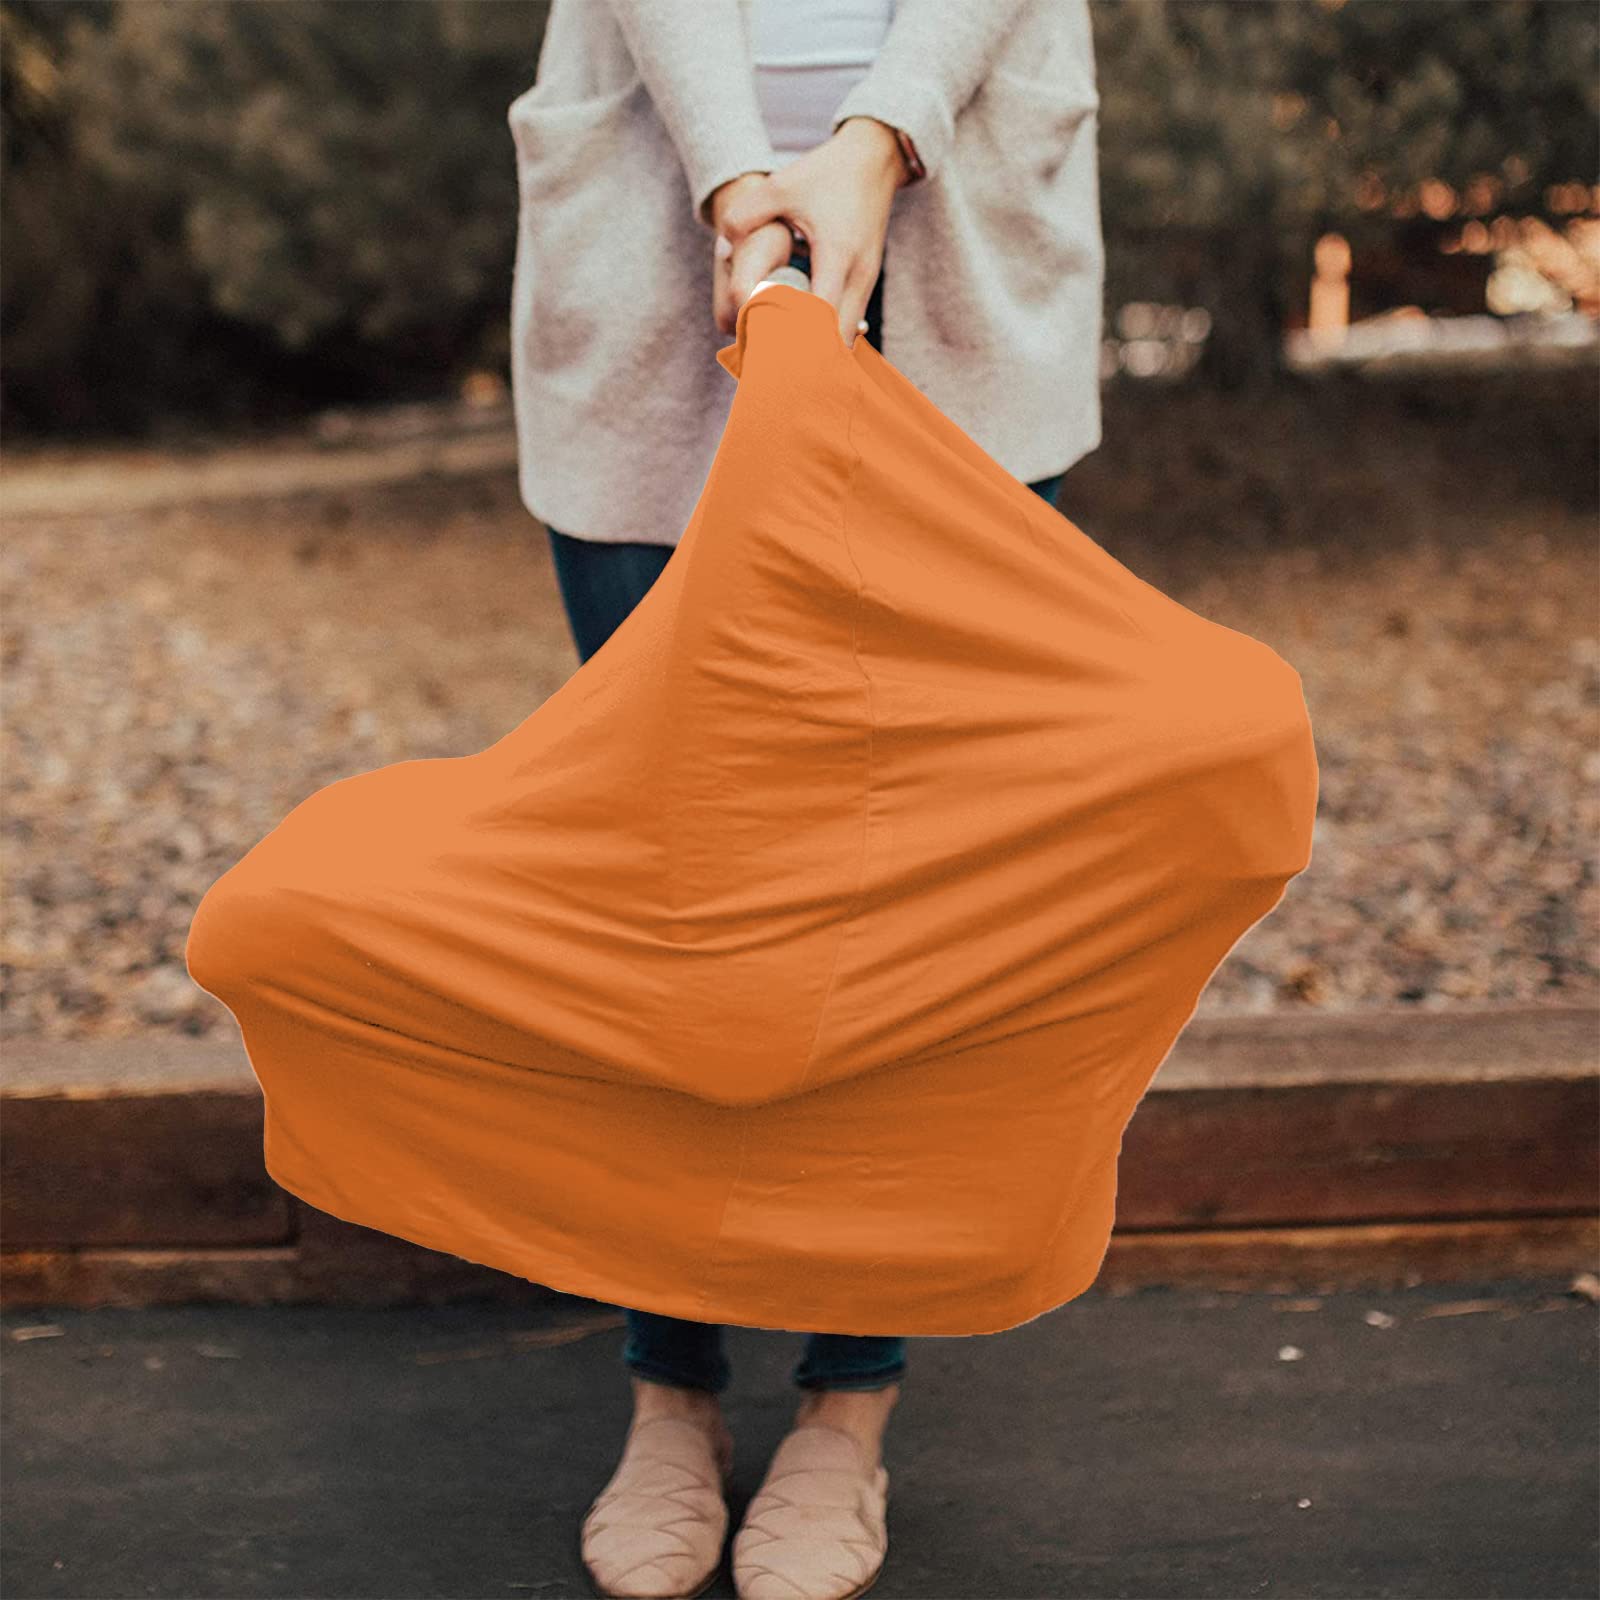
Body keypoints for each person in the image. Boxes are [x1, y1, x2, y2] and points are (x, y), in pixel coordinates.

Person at [505, 3, 1104, 1596]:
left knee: (905, 889)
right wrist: (733, 177)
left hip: (958, 221)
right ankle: (670, 1388)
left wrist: (877, 137)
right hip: (654, 216)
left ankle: (850, 1401)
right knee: (668, 875)